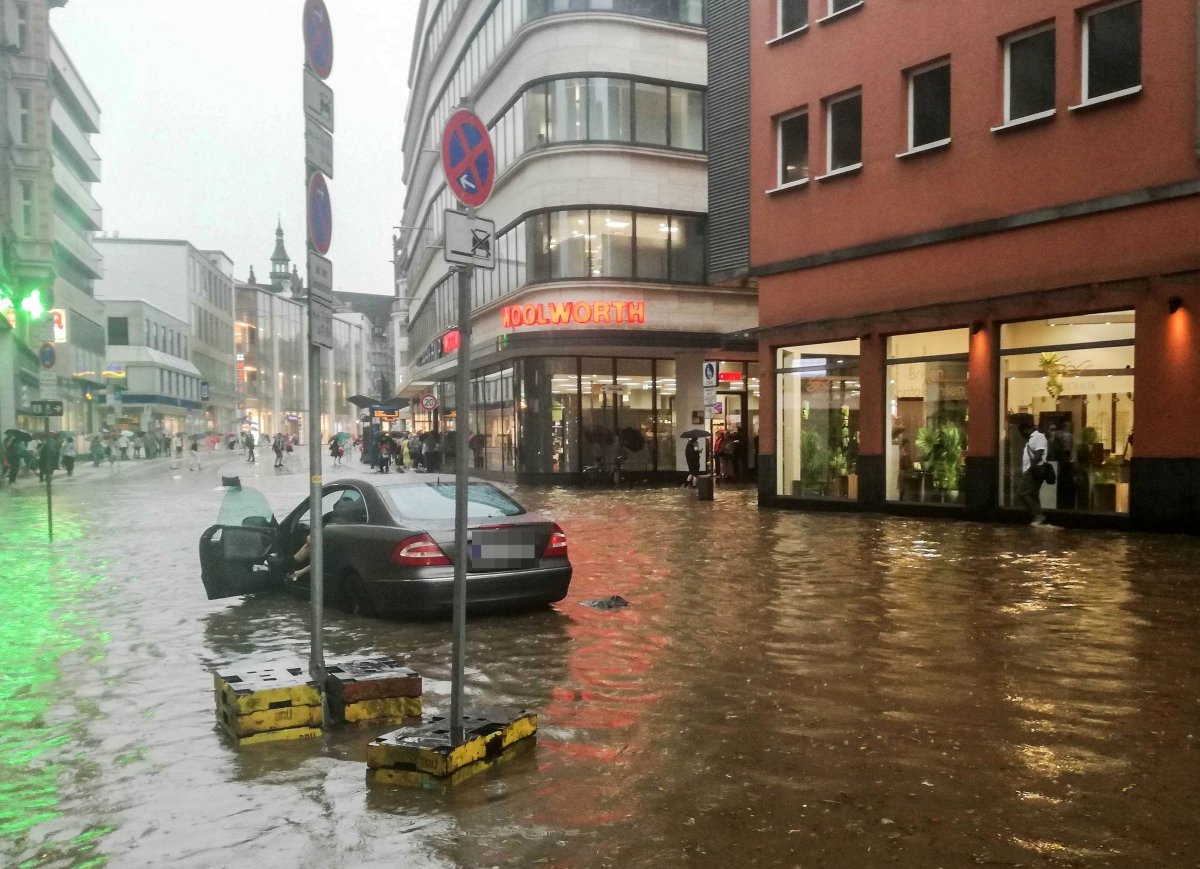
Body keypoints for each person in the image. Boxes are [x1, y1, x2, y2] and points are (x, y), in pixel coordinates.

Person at [1018, 420, 1049, 525]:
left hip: (1034, 469)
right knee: (1033, 494)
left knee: (1022, 493)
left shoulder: (1037, 437)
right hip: (1034, 469)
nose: (1022, 435)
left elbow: (1039, 452)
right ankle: (1039, 517)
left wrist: (1030, 468)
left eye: (1022, 432)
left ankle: (1038, 515)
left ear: (1026, 429)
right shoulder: (1031, 440)